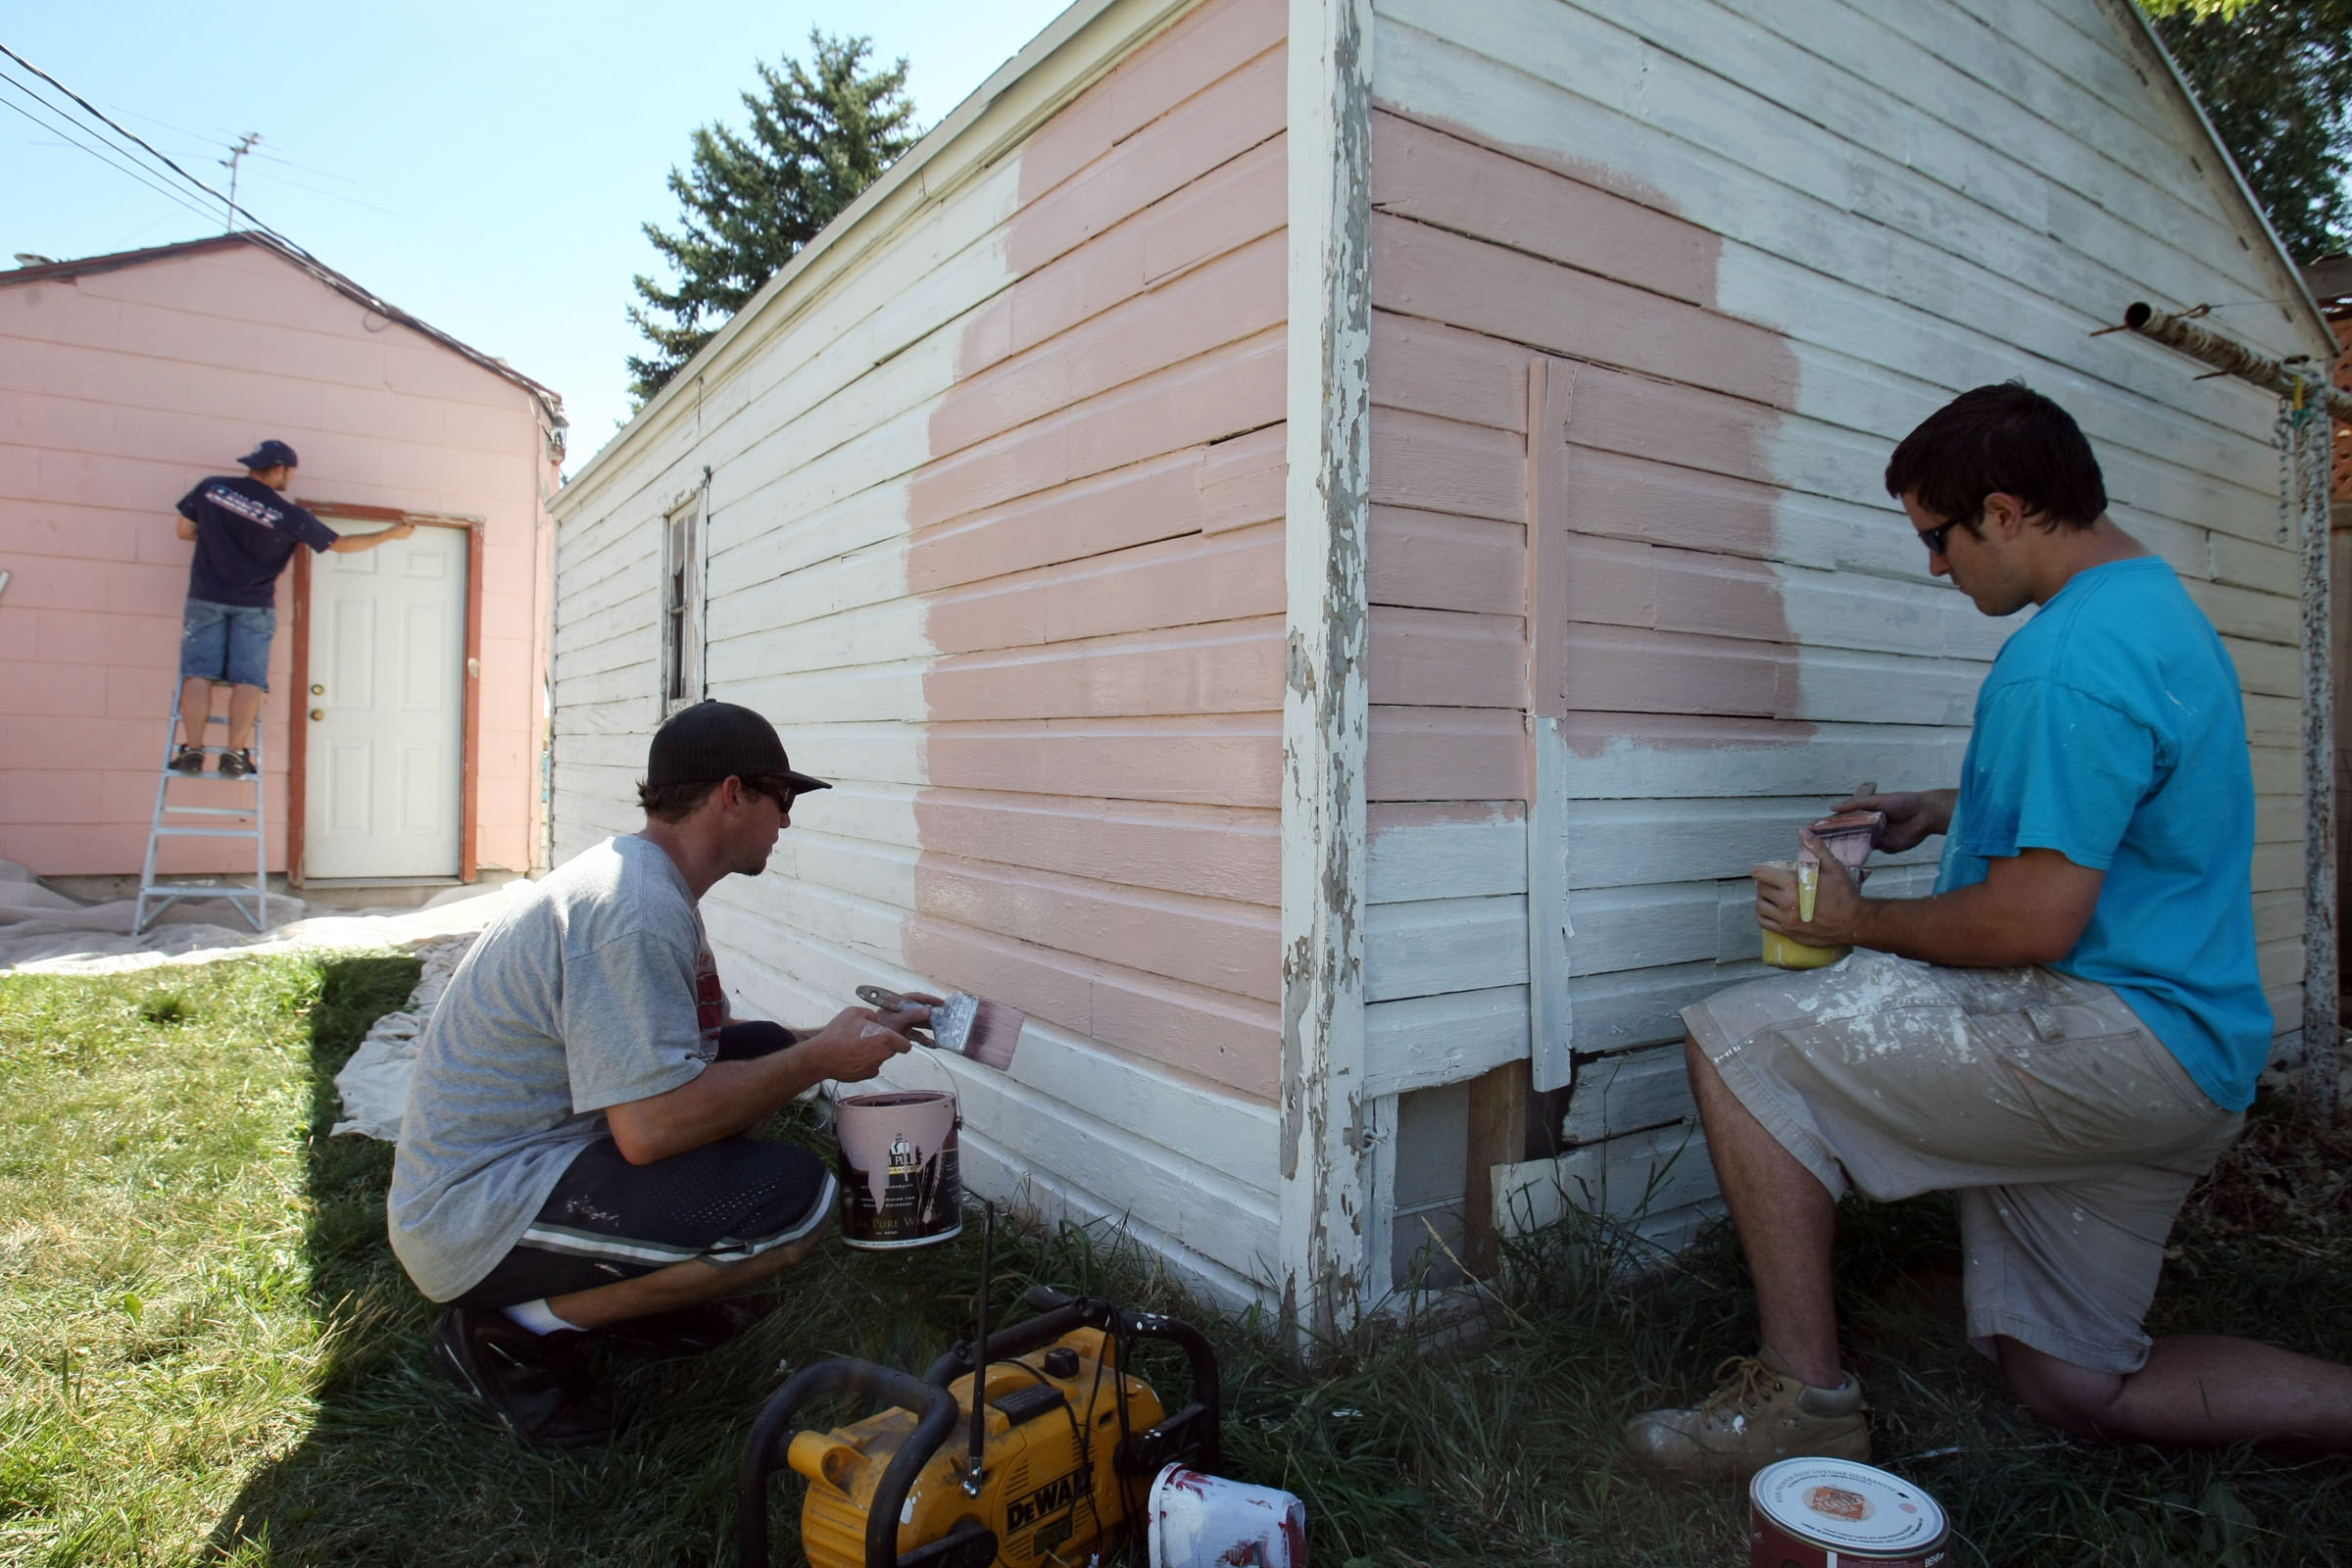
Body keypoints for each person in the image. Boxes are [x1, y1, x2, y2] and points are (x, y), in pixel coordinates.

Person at [1622, 383, 2352, 1480]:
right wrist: (1944, 808)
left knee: (1738, 1039)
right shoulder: (2149, 609)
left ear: (2005, 512)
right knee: (2073, 1384)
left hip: (2110, 1039)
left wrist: (1854, 919)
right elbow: (2119, 793)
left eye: (1938, 538)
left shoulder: (2063, 660)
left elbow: (2035, 920)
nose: (1935, 566)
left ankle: (1802, 1402)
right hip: (2196, 1051)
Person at [388, 700, 937, 1448]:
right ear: (734, 793)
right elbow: (650, 1132)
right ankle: (512, 1331)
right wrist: (818, 1060)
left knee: (757, 1049)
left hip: (528, 1163)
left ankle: (636, 1299)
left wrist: (837, 1035)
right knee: (796, 1202)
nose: (787, 822)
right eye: (784, 799)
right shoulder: (634, 909)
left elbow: (703, 1049)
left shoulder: (641, 880)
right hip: (472, 1214)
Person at [172, 439, 413, 776]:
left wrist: (220, 536)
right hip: (253, 605)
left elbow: (185, 531)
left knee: (198, 675)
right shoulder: (290, 516)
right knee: (248, 680)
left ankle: (192, 750)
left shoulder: (212, 490)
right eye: (290, 472)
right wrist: (390, 534)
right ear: (280, 470)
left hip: (206, 598)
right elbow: (340, 544)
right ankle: (234, 753)